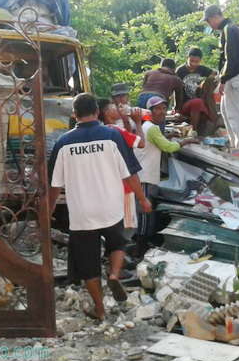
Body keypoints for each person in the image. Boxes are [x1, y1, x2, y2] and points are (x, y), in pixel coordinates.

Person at [49, 93, 152, 321]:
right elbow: (130, 173)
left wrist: (47, 211)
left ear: (74, 114)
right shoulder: (112, 136)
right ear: (97, 111)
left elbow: (54, 186)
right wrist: (143, 199)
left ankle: (100, 309)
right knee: (117, 244)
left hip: (82, 214)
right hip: (111, 208)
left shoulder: (63, 143)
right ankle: (114, 274)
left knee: (88, 264)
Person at [132, 95, 196, 256]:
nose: (161, 112)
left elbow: (159, 142)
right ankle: (140, 252)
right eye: (157, 109)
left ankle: (140, 250)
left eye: (163, 108)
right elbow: (168, 147)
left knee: (144, 215)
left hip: (142, 176)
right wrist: (185, 141)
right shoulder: (152, 128)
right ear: (150, 111)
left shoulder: (147, 127)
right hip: (145, 177)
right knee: (145, 216)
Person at [204, 4, 239, 155]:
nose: (209, 25)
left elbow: (231, 58)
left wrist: (223, 80)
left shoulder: (229, 29)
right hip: (231, 76)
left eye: (208, 21)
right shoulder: (227, 29)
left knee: (234, 115)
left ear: (215, 17)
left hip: (233, 77)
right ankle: (234, 147)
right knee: (225, 111)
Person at [97, 98, 145, 231]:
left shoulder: (103, 131)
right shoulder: (115, 130)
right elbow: (141, 143)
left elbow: (128, 138)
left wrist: (126, 120)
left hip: (106, 188)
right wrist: (138, 123)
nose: (118, 109)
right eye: (114, 107)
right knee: (125, 229)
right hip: (124, 187)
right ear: (107, 112)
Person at [176, 47, 215, 132]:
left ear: (200, 61)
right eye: (191, 61)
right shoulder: (180, 70)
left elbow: (214, 74)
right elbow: (176, 90)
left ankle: (201, 132)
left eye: (196, 62)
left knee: (205, 107)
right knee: (197, 102)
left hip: (199, 100)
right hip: (185, 104)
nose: (193, 64)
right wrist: (176, 109)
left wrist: (204, 82)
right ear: (187, 58)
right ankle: (193, 131)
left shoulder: (202, 69)